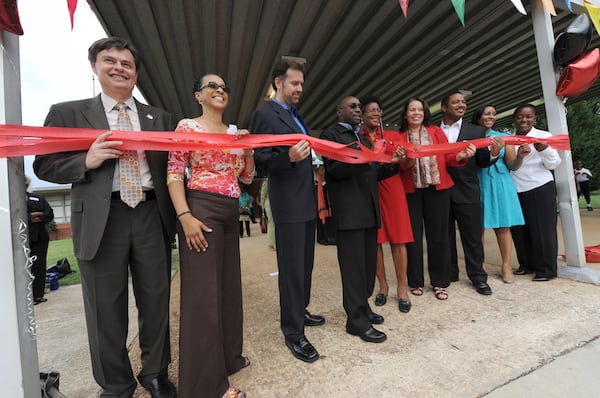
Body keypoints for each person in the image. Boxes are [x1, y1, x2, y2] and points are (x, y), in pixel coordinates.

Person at [33, 37, 177, 398]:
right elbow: (43, 165)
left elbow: (176, 167)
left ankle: (156, 373)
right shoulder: (67, 112)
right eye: (109, 61)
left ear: (136, 72)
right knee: (104, 307)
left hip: (150, 212)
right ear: (94, 67)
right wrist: (86, 160)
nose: (119, 68)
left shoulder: (158, 118)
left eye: (127, 64)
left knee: (156, 300)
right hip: (101, 218)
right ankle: (116, 383)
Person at [167, 73, 253, 398]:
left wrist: (247, 149)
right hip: (201, 207)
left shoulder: (234, 132)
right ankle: (206, 388)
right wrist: (185, 215)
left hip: (231, 209)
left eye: (224, 87)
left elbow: (245, 177)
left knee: (229, 289)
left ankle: (229, 358)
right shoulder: (187, 127)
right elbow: (174, 172)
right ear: (198, 95)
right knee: (204, 297)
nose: (219, 90)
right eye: (211, 87)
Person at [249, 60, 324, 362]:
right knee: (292, 267)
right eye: (294, 83)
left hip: (305, 199)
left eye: (302, 84)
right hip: (288, 203)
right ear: (278, 82)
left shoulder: (295, 115)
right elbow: (261, 160)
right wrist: (290, 158)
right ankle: (293, 332)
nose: (300, 89)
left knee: (305, 263)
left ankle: (300, 311)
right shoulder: (264, 114)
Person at [320, 96, 403, 343]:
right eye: (353, 107)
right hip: (350, 214)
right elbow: (335, 169)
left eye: (360, 107)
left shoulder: (359, 137)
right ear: (339, 111)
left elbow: (372, 173)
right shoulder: (330, 135)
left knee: (367, 268)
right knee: (353, 269)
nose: (359, 110)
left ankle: (363, 308)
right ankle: (355, 321)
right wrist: (366, 156)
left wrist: (392, 164)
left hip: (368, 210)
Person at [398, 98, 475, 301]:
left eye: (419, 109)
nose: (416, 113)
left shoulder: (435, 132)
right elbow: (399, 167)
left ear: (425, 113)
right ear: (405, 114)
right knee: (413, 237)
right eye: (411, 109)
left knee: (439, 236)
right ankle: (415, 281)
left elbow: (448, 156)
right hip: (411, 191)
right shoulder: (398, 136)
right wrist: (408, 160)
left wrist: (461, 156)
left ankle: (440, 282)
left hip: (438, 189)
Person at [440, 91, 502, 296]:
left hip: (467, 190)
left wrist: (493, 153)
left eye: (463, 102)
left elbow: (483, 161)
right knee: (444, 235)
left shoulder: (476, 130)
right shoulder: (432, 132)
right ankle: (449, 273)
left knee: (473, 237)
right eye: (455, 101)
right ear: (444, 107)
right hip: (440, 191)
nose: (461, 105)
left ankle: (478, 277)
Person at [359, 95, 414, 313]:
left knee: (399, 240)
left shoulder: (393, 136)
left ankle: (402, 289)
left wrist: (405, 157)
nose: (375, 113)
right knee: (376, 241)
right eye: (370, 110)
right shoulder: (358, 138)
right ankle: (383, 287)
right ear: (362, 114)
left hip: (393, 188)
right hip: (370, 190)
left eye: (378, 110)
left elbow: (408, 165)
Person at [472, 105, 530, 283]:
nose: (491, 116)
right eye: (486, 113)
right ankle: (480, 264)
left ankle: (506, 266)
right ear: (478, 116)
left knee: (503, 227)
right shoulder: (471, 136)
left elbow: (512, 165)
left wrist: (520, 156)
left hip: (501, 183)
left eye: (493, 114)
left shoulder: (505, 137)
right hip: (479, 181)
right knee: (477, 228)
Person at [510, 104, 562, 281]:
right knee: (519, 230)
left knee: (542, 230)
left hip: (540, 187)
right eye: (520, 117)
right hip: (516, 188)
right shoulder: (511, 139)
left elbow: (554, 164)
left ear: (535, 118)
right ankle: (526, 265)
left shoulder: (544, 136)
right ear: (515, 119)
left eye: (528, 116)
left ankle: (546, 269)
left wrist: (545, 150)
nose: (524, 120)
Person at [25, 176, 54, 305]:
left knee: (39, 266)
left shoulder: (38, 198)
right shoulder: (12, 200)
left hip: (40, 237)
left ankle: (38, 295)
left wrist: (34, 216)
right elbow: (18, 217)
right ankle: (26, 296)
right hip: (23, 239)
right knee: (25, 267)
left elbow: (49, 214)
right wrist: (33, 216)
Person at [259, 179, 276, 249]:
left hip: (275, 203)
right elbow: (263, 195)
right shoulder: (266, 182)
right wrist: (262, 206)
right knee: (272, 223)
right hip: (269, 204)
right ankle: (271, 243)